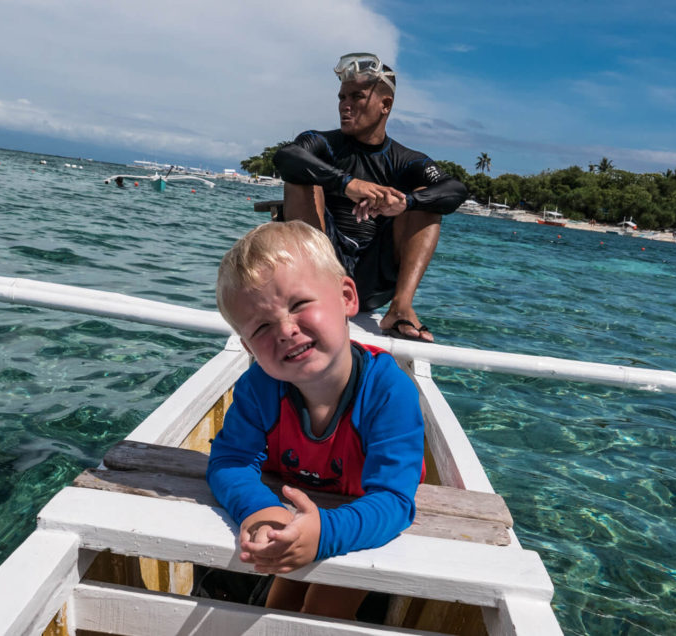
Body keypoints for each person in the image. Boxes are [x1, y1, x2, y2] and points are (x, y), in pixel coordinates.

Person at [208, 221, 425, 619]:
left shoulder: (389, 392)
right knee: (278, 604)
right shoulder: (258, 388)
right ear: (248, 347)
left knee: (325, 607)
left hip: (362, 512)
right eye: (261, 327)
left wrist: (323, 533)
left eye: (299, 305)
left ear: (346, 297)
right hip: (296, 510)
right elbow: (230, 461)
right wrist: (262, 514)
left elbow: (394, 500)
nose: (287, 330)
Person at [273, 52, 467, 343]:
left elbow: (456, 190)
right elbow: (285, 157)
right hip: (321, 268)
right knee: (301, 174)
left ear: (385, 105)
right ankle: (310, 295)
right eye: (341, 97)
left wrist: (405, 203)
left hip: (374, 278)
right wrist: (347, 184)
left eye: (356, 97)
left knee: (428, 198)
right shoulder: (321, 142)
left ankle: (400, 308)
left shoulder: (406, 160)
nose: (345, 106)